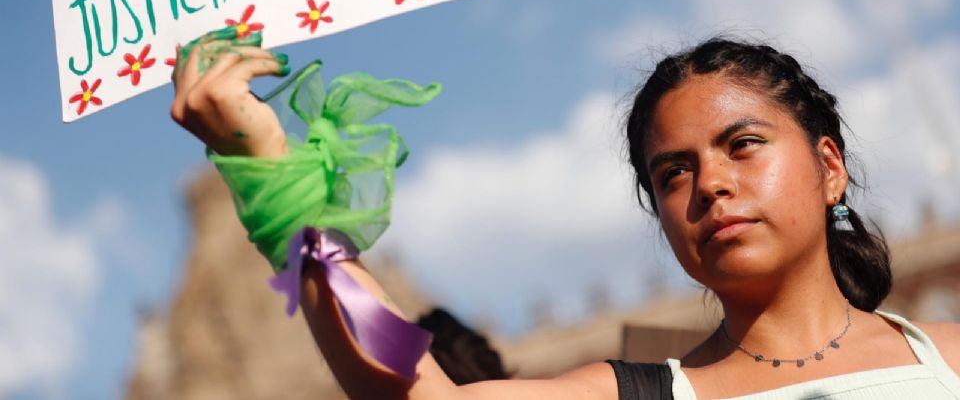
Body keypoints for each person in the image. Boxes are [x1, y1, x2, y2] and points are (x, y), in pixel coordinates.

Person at [171, 34, 960, 399]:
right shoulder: (640, 396)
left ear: (829, 167)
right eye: (672, 173)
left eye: (743, 145)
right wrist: (278, 182)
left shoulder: (949, 357)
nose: (710, 184)